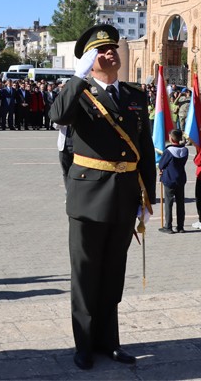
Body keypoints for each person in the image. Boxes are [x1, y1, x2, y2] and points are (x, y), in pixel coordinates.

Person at [49, 23, 156, 371]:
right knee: (85, 273)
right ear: (90, 60)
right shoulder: (78, 93)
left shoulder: (135, 96)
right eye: (101, 51)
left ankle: (109, 341)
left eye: (113, 48)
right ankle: (83, 344)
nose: (111, 54)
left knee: (113, 273)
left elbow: (146, 149)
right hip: (88, 196)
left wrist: (148, 197)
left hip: (125, 195)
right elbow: (57, 117)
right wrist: (76, 79)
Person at [158, 129, 188, 234]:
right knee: (180, 203)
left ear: (171, 138)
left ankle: (168, 226)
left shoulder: (168, 151)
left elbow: (161, 164)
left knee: (168, 203)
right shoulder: (185, 150)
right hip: (180, 179)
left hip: (169, 179)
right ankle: (180, 226)